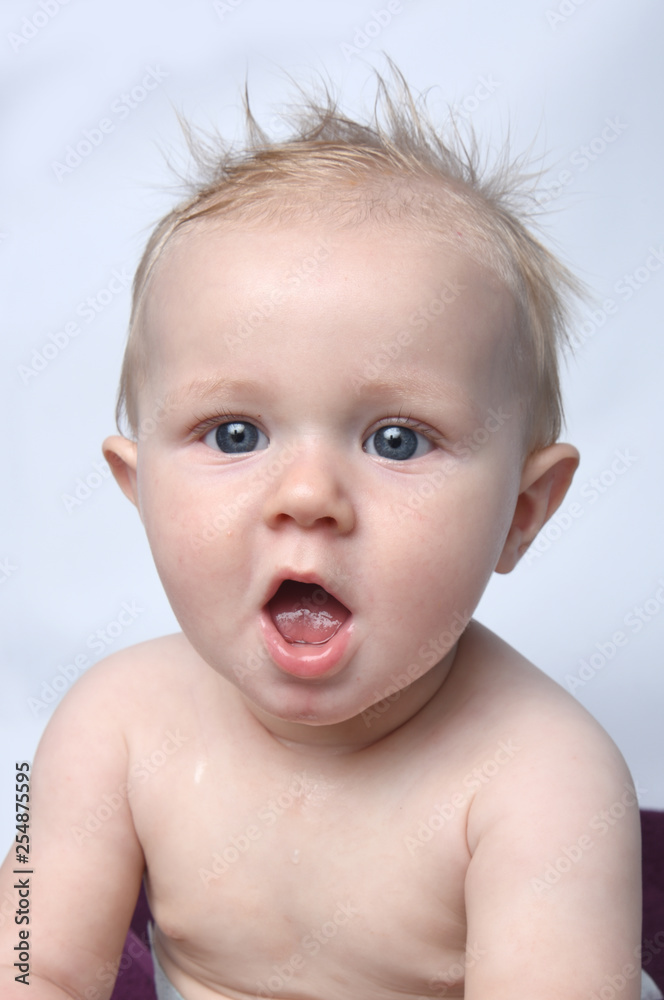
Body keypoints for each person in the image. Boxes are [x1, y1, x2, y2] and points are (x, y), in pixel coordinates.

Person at [0, 69, 657, 1000]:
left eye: (397, 440)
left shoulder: (543, 779)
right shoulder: (109, 727)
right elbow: (30, 961)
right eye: (236, 434)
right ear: (137, 490)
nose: (308, 497)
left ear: (522, 512)